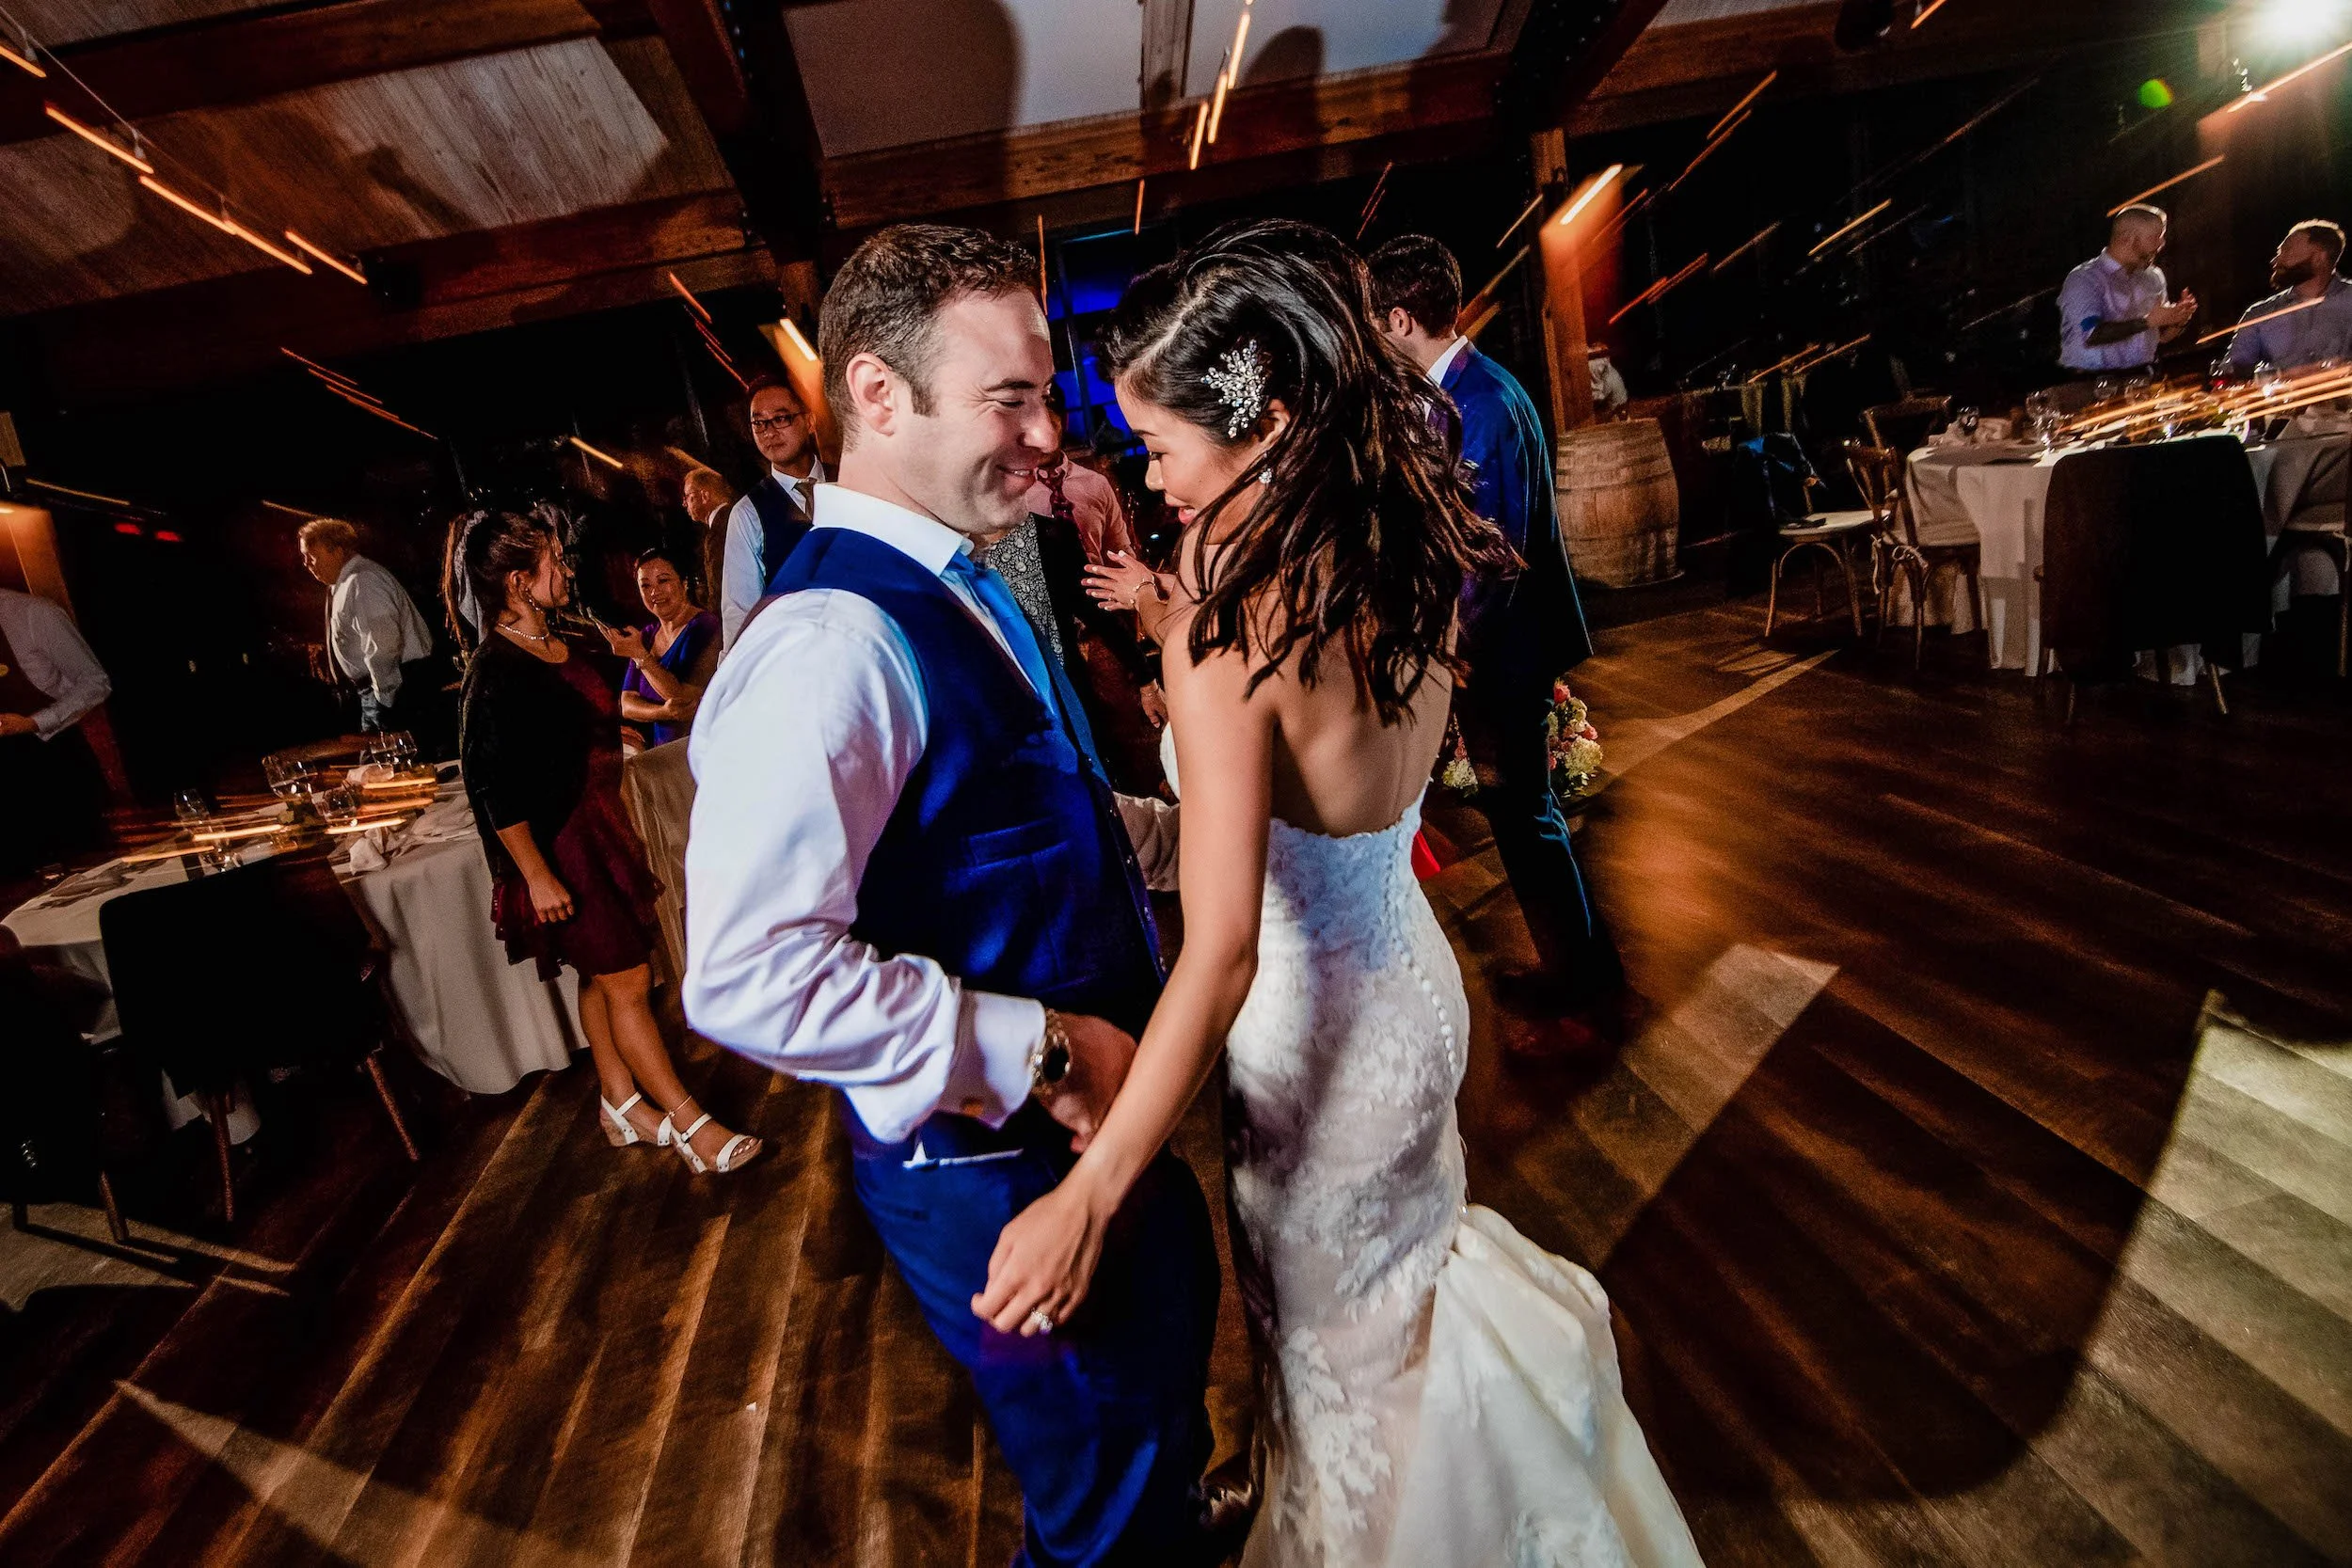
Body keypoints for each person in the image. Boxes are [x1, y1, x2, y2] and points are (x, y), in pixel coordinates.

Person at [976, 219, 1704, 1567]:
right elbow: (1327, 794)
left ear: (1259, 422)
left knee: (1337, 1351)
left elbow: (1226, 949)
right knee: (1396, 1323)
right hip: (1415, 993)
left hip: (1315, 1044)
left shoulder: (1224, 625)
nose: (1151, 477)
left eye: (1161, 446)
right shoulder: (1402, 547)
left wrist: (1097, 1187)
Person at [685, 224, 1230, 1567]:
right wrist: (1037, 1047)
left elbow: (1016, 806)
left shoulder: (949, 571)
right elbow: (747, 970)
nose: (1049, 433)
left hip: (1082, 1119)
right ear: (876, 394)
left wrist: (1196, 835)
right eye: (1012, 397)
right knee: (1105, 1498)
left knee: (1151, 1421)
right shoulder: (826, 646)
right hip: (994, 1159)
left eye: (1047, 392)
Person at [446, 509, 760, 1176]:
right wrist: (536, 874)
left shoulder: (567, 639)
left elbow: (618, 706)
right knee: (630, 978)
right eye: (553, 560)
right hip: (562, 848)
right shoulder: (495, 670)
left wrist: (643, 669)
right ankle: (691, 1123)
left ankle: (618, 1102)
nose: (566, 568)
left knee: (605, 972)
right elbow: (491, 786)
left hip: (602, 829)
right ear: (517, 581)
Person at [1368, 232, 1623, 1021]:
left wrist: (1449, 658)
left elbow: (1493, 554)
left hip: (1501, 652)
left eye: (1377, 324)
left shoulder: (1485, 403)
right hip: (1488, 651)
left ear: (1404, 320)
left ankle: (1583, 981)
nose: (1375, 340)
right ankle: (1577, 966)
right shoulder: (1457, 394)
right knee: (1520, 817)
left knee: (1528, 816)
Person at [299, 518, 446, 747]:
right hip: (378, 691)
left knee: (397, 767)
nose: (307, 563)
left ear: (337, 551)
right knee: (378, 768)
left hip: (397, 690)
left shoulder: (362, 581)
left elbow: (383, 645)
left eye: (312, 555)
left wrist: (385, 700)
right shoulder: (347, 583)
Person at [0, 585, 110, 876]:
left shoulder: (34, 613)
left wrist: (36, 721)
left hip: (52, 759)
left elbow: (95, 681)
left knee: (85, 872)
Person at [717, 376, 827, 649]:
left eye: (781, 419)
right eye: (759, 423)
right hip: (800, 654)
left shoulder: (851, 481)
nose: (769, 432)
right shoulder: (748, 514)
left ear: (809, 421)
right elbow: (739, 613)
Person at [2057, 204, 2198, 375]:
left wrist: (2178, 318)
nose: (2161, 244)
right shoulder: (2084, 279)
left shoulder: (2153, 276)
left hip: (2144, 374)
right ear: (2127, 238)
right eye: (2155, 237)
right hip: (2092, 380)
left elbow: (2161, 337)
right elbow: (2091, 334)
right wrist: (2147, 322)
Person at [616, 548, 721, 749]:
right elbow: (627, 704)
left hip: (700, 747)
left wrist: (641, 657)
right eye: (645, 585)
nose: (654, 592)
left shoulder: (705, 626)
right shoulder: (647, 635)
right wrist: (663, 712)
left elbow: (681, 697)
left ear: (684, 582)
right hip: (662, 750)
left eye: (663, 581)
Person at [2226, 219, 2352, 372]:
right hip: (2284, 395)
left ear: (2319, 258)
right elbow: (2233, 369)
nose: (2275, 261)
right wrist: (2277, 377)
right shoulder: (2260, 314)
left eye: (2286, 251)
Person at [1590, 341, 1629, 414]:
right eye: (1593, 358)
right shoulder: (1607, 371)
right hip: (1616, 408)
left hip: (1617, 412)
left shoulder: (1609, 376)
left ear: (1607, 359)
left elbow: (1600, 399)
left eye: (1597, 358)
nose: (1594, 362)